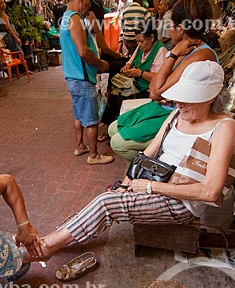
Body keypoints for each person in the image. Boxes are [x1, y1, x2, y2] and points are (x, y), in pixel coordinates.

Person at [25, 61, 235, 269]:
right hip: (157, 180)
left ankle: (45, 246)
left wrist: (149, 187)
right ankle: (54, 238)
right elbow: (148, 154)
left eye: (188, 99)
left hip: (182, 202)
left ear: (211, 98)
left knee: (106, 203)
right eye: (179, 98)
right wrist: (126, 184)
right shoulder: (177, 114)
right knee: (109, 196)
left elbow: (211, 192)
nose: (179, 104)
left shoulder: (224, 127)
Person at [109, 0, 221, 165]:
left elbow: (155, 92)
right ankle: (139, 168)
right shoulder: (187, 50)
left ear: (180, 29)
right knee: (113, 128)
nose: (167, 30)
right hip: (164, 107)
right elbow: (157, 89)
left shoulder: (199, 54)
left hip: (177, 115)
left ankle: (148, 167)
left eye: (169, 25)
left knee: (118, 143)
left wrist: (173, 54)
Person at [60, 0, 114, 165]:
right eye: (88, 6)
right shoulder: (75, 18)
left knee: (78, 114)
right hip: (82, 78)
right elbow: (83, 52)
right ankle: (94, 155)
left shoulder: (65, 18)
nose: (87, 11)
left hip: (72, 76)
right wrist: (101, 64)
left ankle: (80, 146)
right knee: (91, 119)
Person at [97, 22, 166, 142]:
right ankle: (109, 128)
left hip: (148, 89)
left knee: (122, 99)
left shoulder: (161, 50)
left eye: (142, 41)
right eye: (137, 41)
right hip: (135, 84)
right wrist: (127, 67)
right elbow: (130, 61)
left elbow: (160, 77)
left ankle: (122, 130)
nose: (139, 45)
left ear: (151, 38)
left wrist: (140, 73)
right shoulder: (140, 48)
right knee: (113, 94)